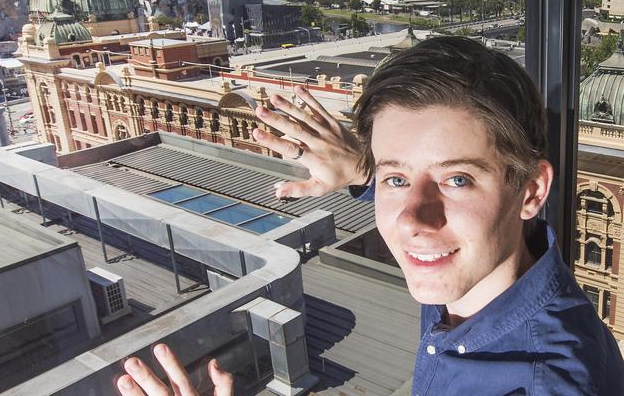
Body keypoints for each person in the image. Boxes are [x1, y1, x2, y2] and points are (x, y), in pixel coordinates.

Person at [117, 37, 624, 395]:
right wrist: (365, 172)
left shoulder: (541, 383)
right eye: (396, 178)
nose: (414, 221)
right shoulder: (485, 270)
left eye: (459, 179)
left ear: (531, 191)